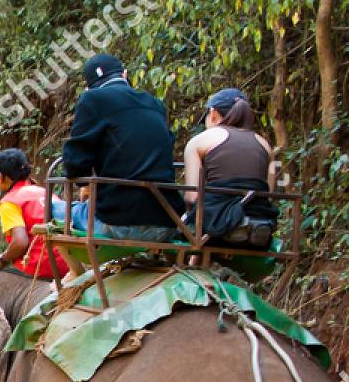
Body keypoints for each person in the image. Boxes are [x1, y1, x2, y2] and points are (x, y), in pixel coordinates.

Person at [51, 54, 180, 241]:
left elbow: (74, 164)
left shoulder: (92, 99)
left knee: (50, 206)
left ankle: (73, 270)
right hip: (167, 222)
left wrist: (86, 182)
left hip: (119, 223)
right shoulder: (155, 104)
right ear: (125, 75)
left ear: (88, 88)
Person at [181, 88, 278, 248]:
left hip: (217, 222)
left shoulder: (200, 141)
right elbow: (269, 198)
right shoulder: (265, 145)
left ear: (212, 113)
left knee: (187, 221)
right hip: (259, 219)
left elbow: (192, 197)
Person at [0, 148, 69, 279]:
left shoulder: (9, 202)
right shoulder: (44, 192)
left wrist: (1, 260)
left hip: (42, 265)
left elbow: (20, 243)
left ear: (0, 177)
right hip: (67, 262)